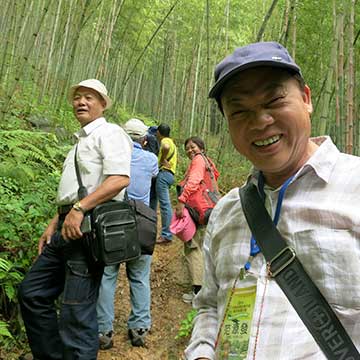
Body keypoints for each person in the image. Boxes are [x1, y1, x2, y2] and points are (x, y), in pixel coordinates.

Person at [185, 41, 360, 359]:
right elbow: (210, 305)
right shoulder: (226, 212)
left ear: (306, 99)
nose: (260, 121)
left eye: (274, 100)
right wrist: (200, 353)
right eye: (239, 111)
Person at [17, 79, 133, 360]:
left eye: (89, 98)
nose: (81, 102)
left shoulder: (110, 133)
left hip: (88, 230)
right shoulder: (79, 141)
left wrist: (80, 209)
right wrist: (54, 222)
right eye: (77, 97)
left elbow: (119, 179)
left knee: (76, 314)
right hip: (66, 226)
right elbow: (72, 191)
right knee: (32, 292)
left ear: (103, 104)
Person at [96, 118, 158, 349]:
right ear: (144, 138)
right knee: (140, 277)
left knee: (107, 276)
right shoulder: (151, 158)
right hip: (141, 221)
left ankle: (103, 330)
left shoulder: (111, 157)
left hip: (112, 220)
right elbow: (152, 177)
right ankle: (140, 327)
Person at [174, 136, 219, 304]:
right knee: (206, 248)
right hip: (210, 210)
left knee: (193, 248)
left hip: (198, 211)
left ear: (201, 147)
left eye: (193, 146)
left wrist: (181, 200)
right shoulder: (208, 161)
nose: (190, 150)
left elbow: (194, 181)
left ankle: (198, 292)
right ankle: (209, 289)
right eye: (187, 148)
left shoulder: (198, 161)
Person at [155, 123, 178, 244]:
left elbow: (165, 147)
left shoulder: (166, 141)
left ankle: (166, 235)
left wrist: (163, 159)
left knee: (164, 205)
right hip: (170, 175)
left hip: (164, 174)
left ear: (159, 132)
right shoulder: (173, 142)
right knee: (165, 204)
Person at [144, 125, 159, 210]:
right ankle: (152, 214)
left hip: (148, 166)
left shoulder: (150, 138)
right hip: (155, 168)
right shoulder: (160, 140)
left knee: (150, 192)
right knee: (154, 195)